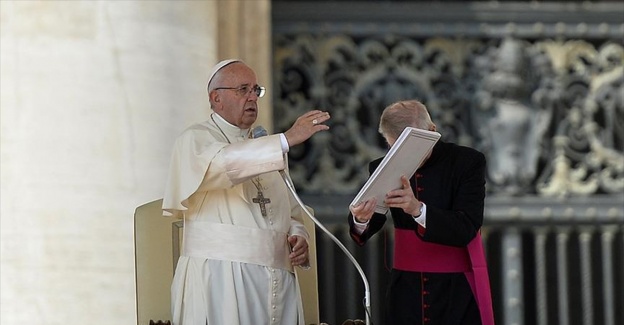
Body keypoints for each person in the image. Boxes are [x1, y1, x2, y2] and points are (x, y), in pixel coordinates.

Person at [162, 59, 331, 325]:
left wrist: (298, 237)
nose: (252, 97)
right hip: (221, 279)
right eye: (243, 89)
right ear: (216, 98)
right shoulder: (194, 139)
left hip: (278, 281)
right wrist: (286, 139)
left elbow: (292, 211)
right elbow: (222, 165)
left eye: (256, 90)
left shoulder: (265, 146)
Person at [348, 100, 494, 325]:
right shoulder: (383, 166)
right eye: (395, 148)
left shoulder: (467, 162)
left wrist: (417, 209)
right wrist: (361, 218)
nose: (406, 157)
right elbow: (368, 223)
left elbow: (467, 226)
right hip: (405, 290)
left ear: (432, 130)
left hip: (455, 291)